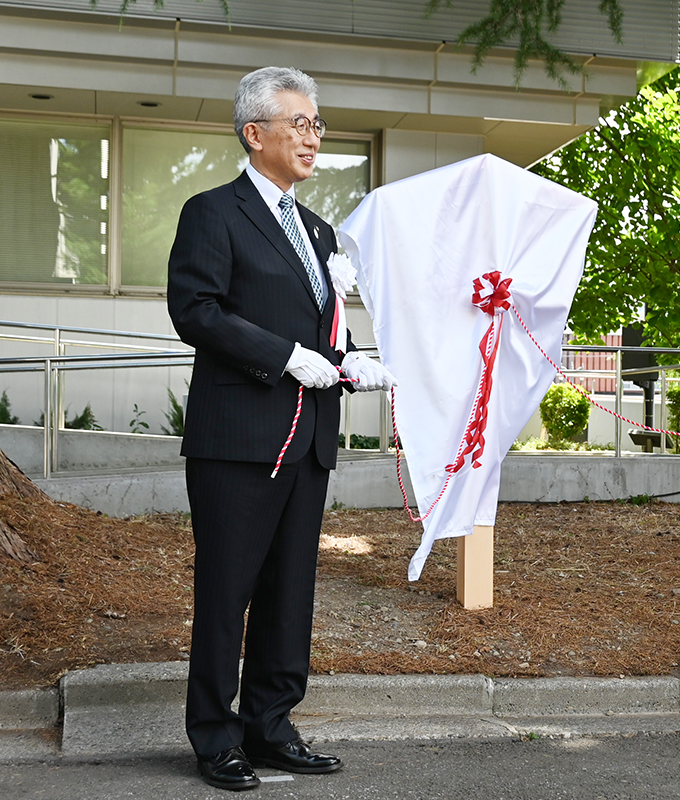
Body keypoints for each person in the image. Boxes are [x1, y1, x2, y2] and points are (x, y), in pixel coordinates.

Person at [167, 66, 396, 790]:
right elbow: (195, 310)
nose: (312, 135)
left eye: (317, 124)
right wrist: (286, 357)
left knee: (290, 591)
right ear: (253, 131)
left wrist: (351, 361)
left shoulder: (318, 228)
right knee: (227, 591)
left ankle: (270, 725)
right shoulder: (212, 212)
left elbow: (319, 328)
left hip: (308, 440)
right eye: (298, 122)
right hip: (237, 441)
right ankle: (214, 736)